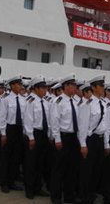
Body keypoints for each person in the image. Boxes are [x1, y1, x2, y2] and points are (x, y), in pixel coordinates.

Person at [49, 74, 80, 204]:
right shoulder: (58, 101)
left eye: (75, 86)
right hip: (63, 137)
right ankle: (55, 196)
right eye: (72, 85)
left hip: (73, 137)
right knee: (59, 169)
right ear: (66, 86)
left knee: (71, 169)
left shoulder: (76, 102)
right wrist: (57, 139)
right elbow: (54, 121)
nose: (74, 88)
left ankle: (69, 195)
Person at [78, 75, 107, 204]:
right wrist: (83, 145)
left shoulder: (104, 104)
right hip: (91, 140)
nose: (103, 88)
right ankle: (84, 197)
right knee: (87, 171)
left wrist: (106, 144)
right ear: (94, 87)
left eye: (103, 86)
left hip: (100, 140)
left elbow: (105, 126)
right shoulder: (88, 104)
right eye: (100, 86)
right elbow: (83, 126)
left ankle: (92, 194)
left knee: (97, 170)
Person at [24, 75, 51, 199]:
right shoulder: (30, 101)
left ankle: (38, 187)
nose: (45, 90)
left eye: (45, 88)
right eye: (42, 88)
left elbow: (49, 121)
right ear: (36, 88)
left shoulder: (45, 102)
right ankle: (29, 189)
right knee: (31, 163)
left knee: (40, 162)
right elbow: (28, 120)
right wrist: (30, 137)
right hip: (34, 134)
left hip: (43, 134)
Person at [0, 76, 26, 193]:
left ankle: (12, 181)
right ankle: (4, 183)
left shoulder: (23, 99)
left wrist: (25, 131)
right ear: (12, 86)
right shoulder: (6, 99)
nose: (20, 87)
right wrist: (3, 133)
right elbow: (2, 117)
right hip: (9, 129)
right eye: (18, 85)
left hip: (19, 129)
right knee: (6, 157)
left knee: (16, 157)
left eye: (21, 85)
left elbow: (25, 117)